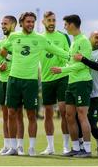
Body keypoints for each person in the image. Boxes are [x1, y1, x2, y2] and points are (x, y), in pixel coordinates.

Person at [0, 12, 70, 156]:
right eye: (28, 22)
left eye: (32, 22)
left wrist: (74, 58)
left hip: (30, 82)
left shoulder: (40, 39)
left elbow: (58, 51)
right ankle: (13, 148)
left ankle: (31, 147)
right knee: (12, 113)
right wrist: (8, 58)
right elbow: (3, 49)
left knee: (31, 114)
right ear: (21, 23)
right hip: (13, 80)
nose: (30, 24)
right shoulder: (14, 36)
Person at [51, 14, 93, 157]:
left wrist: (62, 70)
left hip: (82, 82)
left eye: (66, 24)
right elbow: (71, 61)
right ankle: (75, 148)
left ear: (72, 24)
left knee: (82, 115)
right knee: (69, 116)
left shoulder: (84, 41)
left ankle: (87, 150)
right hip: (71, 83)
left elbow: (82, 65)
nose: (64, 27)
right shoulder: (74, 42)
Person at [40, 11, 70, 155]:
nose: (52, 23)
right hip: (46, 80)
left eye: (54, 20)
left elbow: (69, 56)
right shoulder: (39, 39)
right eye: (49, 20)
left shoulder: (63, 36)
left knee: (64, 111)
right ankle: (50, 147)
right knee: (48, 113)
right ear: (43, 22)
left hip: (62, 77)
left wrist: (63, 69)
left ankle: (66, 146)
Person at [0, 16, 24, 155]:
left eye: (5, 24)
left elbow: (22, 59)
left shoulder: (19, 41)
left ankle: (19, 146)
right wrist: (0, 68)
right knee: (5, 116)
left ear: (13, 25)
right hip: (3, 82)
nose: (2, 26)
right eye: (1, 24)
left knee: (18, 115)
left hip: (17, 80)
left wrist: (8, 57)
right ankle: (7, 146)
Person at [74, 31, 98, 156]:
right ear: (90, 38)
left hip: (97, 95)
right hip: (84, 92)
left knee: (92, 124)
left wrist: (82, 59)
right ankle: (81, 146)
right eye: (96, 37)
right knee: (78, 120)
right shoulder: (84, 51)